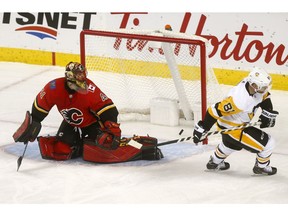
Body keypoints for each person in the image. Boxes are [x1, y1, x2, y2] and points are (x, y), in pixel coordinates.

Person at [13, 62, 163, 163]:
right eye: (78, 79)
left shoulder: (90, 89)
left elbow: (109, 109)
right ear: (69, 78)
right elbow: (40, 108)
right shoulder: (53, 87)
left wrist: (112, 129)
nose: (82, 82)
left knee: (104, 151)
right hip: (71, 123)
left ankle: (139, 146)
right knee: (60, 151)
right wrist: (35, 122)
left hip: (92, 124)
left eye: (83, 77)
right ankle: (79, 144)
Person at [193, 67, 279, 175]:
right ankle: (261, 167)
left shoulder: (253, 86)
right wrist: (203, 127)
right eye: (264, 87)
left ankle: (214, 162)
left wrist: (267, 111)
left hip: (235, 125)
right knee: (269, 144)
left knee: (231, 145)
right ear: (254, 85)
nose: (266, 89)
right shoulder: (238, 101)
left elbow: (264, 97)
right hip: (233, 129)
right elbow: (214, 110)